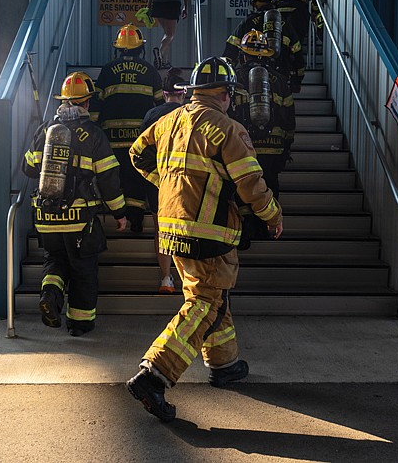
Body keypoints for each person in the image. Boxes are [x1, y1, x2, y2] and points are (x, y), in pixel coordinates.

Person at [125, 56, 283, 422]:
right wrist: (273, 216)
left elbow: (136, 154)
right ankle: (154, 375)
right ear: (225, 93)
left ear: (195, 92)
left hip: (173, 226)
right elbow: (251, 185)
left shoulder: (167, 121)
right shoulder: (229, 129)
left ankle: (224, 364)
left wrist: (166, 184)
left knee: (210, 295)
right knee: (205, 302)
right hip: (209, 232)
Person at [23, 72, 127, 336]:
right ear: (87, 103)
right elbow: (108, 179)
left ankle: (51, 295)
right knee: (82, 270)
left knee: (54, 261)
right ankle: (79, 323)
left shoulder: (45, 130)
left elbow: (28, 169)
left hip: (46, 217)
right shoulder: (93, 134)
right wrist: (120, 213)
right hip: (79, 219)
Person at [90, 24, 163, 233]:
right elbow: (160, 106)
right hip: (140, 139)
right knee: (137, 176)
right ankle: (137, 218)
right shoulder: (150, 70)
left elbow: (96, 103)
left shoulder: (107, 70)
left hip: (111, 138)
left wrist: (94, 128)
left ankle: (118, 213)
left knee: (116, 176)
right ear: (141, 48)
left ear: (119, 48)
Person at [232, 31, 295, 243]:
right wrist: (286, 145)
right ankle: (270, 225)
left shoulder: (235, 77)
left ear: (243, 54)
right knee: (269, 183)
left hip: (245, 146)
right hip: (274, 146)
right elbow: (289, 116)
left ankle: (247, 225)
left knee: (243, 184)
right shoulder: (280, 80)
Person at [140, 68, 186, 294]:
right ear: (183, 93)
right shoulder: (191, 115)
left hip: (157, 184)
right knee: (186, 228)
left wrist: (155, 178)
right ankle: (189, 279)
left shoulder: (151, 115)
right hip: (186, 183)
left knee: (161, 229)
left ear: (164, 93)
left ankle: (166, 278)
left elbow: (140, 152)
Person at [222, 0, 305, 93]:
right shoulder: (285, 26)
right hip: (280, 78)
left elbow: (231, 49)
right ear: (275, 4)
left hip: (250, 76)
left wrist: (228, 74)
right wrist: (296, 81)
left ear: (256, 4)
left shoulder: (248, 22)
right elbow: (297, 55)